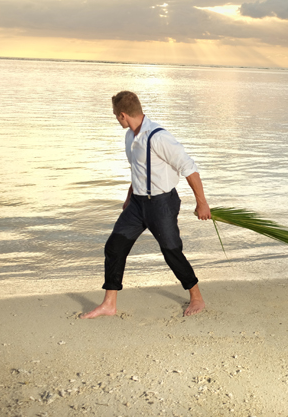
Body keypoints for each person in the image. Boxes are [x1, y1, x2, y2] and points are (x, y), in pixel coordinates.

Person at [82, 91, 210, 319]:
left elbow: (190, 169)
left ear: (122, 115)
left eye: (115, 115)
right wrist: (129, 197)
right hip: (137, 204)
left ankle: (197, 297)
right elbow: (138, 170)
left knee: (172, 252)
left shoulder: (159, 137)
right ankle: (109, 304)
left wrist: (202, 204)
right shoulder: (130, 137)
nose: (115, 119)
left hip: (161, 204)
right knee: (114, 247)